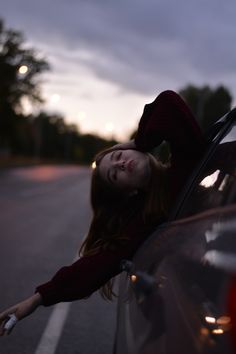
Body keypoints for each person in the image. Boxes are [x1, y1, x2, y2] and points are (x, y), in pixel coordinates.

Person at [0, 90, 207, 335]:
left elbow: (168, 103)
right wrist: (38, 298)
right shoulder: (147, 216)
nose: (120, 163)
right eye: (114, 174)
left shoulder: (186, 161)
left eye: (118, 155)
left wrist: (139, 142)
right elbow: (97, 264)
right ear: (126, 192)